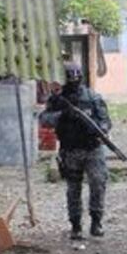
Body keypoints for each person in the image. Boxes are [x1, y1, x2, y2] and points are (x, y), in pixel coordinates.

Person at [40, 63, 112, 240]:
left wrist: (98, 129)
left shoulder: (92, 97)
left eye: (75, 78)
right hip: (70, 150)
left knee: (98, 183)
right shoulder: (58, 100)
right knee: (73, 189)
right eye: (69, 78)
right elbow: (44, 119)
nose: (73, 82)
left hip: (92, 149)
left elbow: (105, 121)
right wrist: (62, 116)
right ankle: (76, 225)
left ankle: (96, 221)